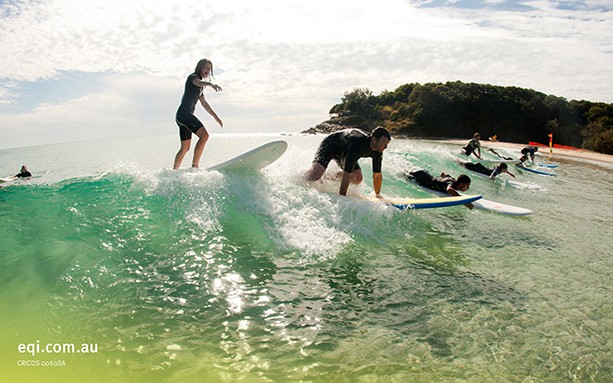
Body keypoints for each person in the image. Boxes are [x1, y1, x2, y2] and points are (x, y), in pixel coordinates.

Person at [304, 127, 391, 196]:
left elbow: (377, 175)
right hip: (330, 145)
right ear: (374, 140)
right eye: (384, 144)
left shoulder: (378, 151)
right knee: (315, 175)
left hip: (344, 151)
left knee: (357, 178)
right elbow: (347, 173)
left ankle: (327, 177)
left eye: (387, 144)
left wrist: (377, 195)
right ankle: (300, 177)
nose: (386, 147)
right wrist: (343, 198)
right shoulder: (358, 144)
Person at [173, 58, 223, 169]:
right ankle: (195, 167)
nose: (207, 71)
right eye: (206, 68)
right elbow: (197, 82)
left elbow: (205, 104)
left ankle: (174, 172)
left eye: (209, 69)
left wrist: (216, 118)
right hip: (184, 114)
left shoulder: (200, 89)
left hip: (181, 116)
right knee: (204, 136)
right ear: (200, 67)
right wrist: (210, 84)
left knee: (185, 148)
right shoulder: (193, 77)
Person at [406, 170, 474, 209]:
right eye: (467, 185)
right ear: (461, 184)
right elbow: (449, 189)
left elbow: (443, 174)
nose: (468, 188)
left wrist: (441, 180)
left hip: (426, 174)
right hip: (422, 178)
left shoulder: (452, 179)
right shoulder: (451, 182)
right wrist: (464, 202)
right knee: (404, 175)